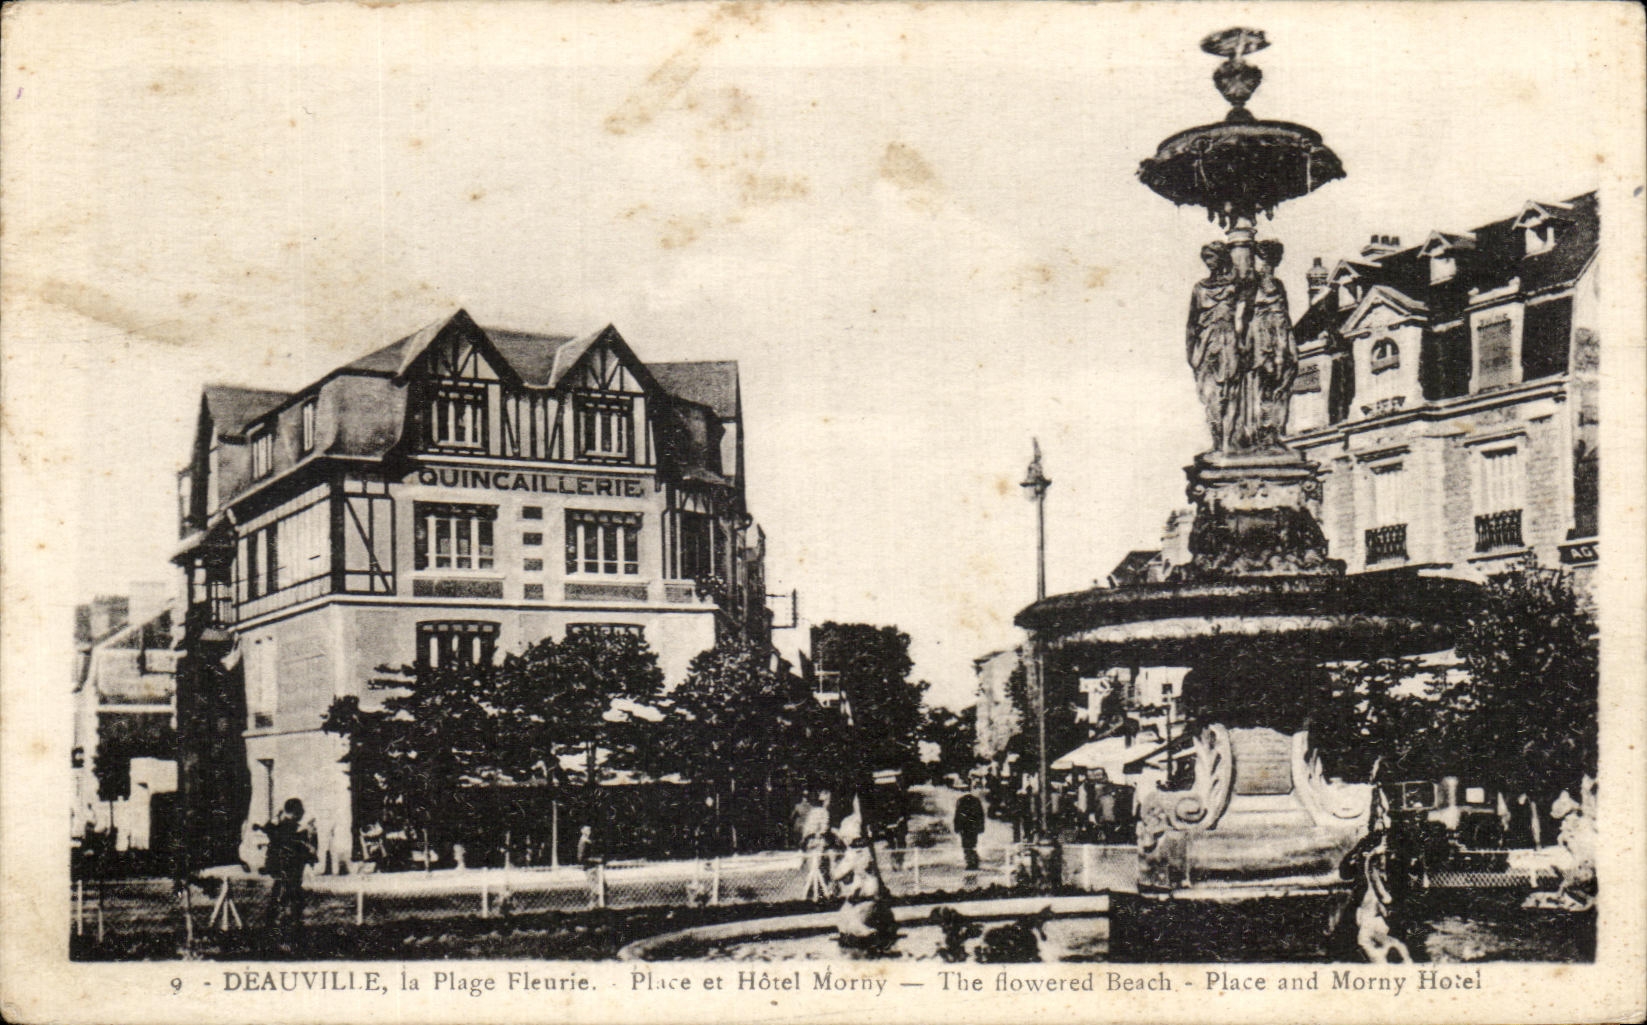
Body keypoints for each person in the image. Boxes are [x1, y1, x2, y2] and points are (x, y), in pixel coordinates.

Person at [1185, 240, 1241, 451]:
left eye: (1212, 257)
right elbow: (1191, 324)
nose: (1209, 263)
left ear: (1222, 258)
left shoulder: (1233, 286)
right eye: (1206, 258)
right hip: (1206, 345)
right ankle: (1218, 442)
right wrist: (1192, 356)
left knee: (1230, 392)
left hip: (1228, 341)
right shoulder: (1199, 289)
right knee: (1211, 396)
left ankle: (1229, 440)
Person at [259, 797, 317, 943]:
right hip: (289, 872)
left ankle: (275, 934)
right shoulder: (291, 828)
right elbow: (304, 850)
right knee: (290, 903)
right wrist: (310, 839)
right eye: (301, 811)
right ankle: (285, 935)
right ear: (297, 812)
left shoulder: (279, 826)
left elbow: (269, 829)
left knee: (281, 902)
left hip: (284, 873)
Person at [953, 788, 986, 871]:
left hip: (965, 828)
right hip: (972, 827)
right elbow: (981, 815)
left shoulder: (961, 800)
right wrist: (981, 827)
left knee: (966, 845)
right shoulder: (976, 801)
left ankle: (971, 861)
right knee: (972, 844)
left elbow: (957, 815)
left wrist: (957, 827)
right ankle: (973, 861)